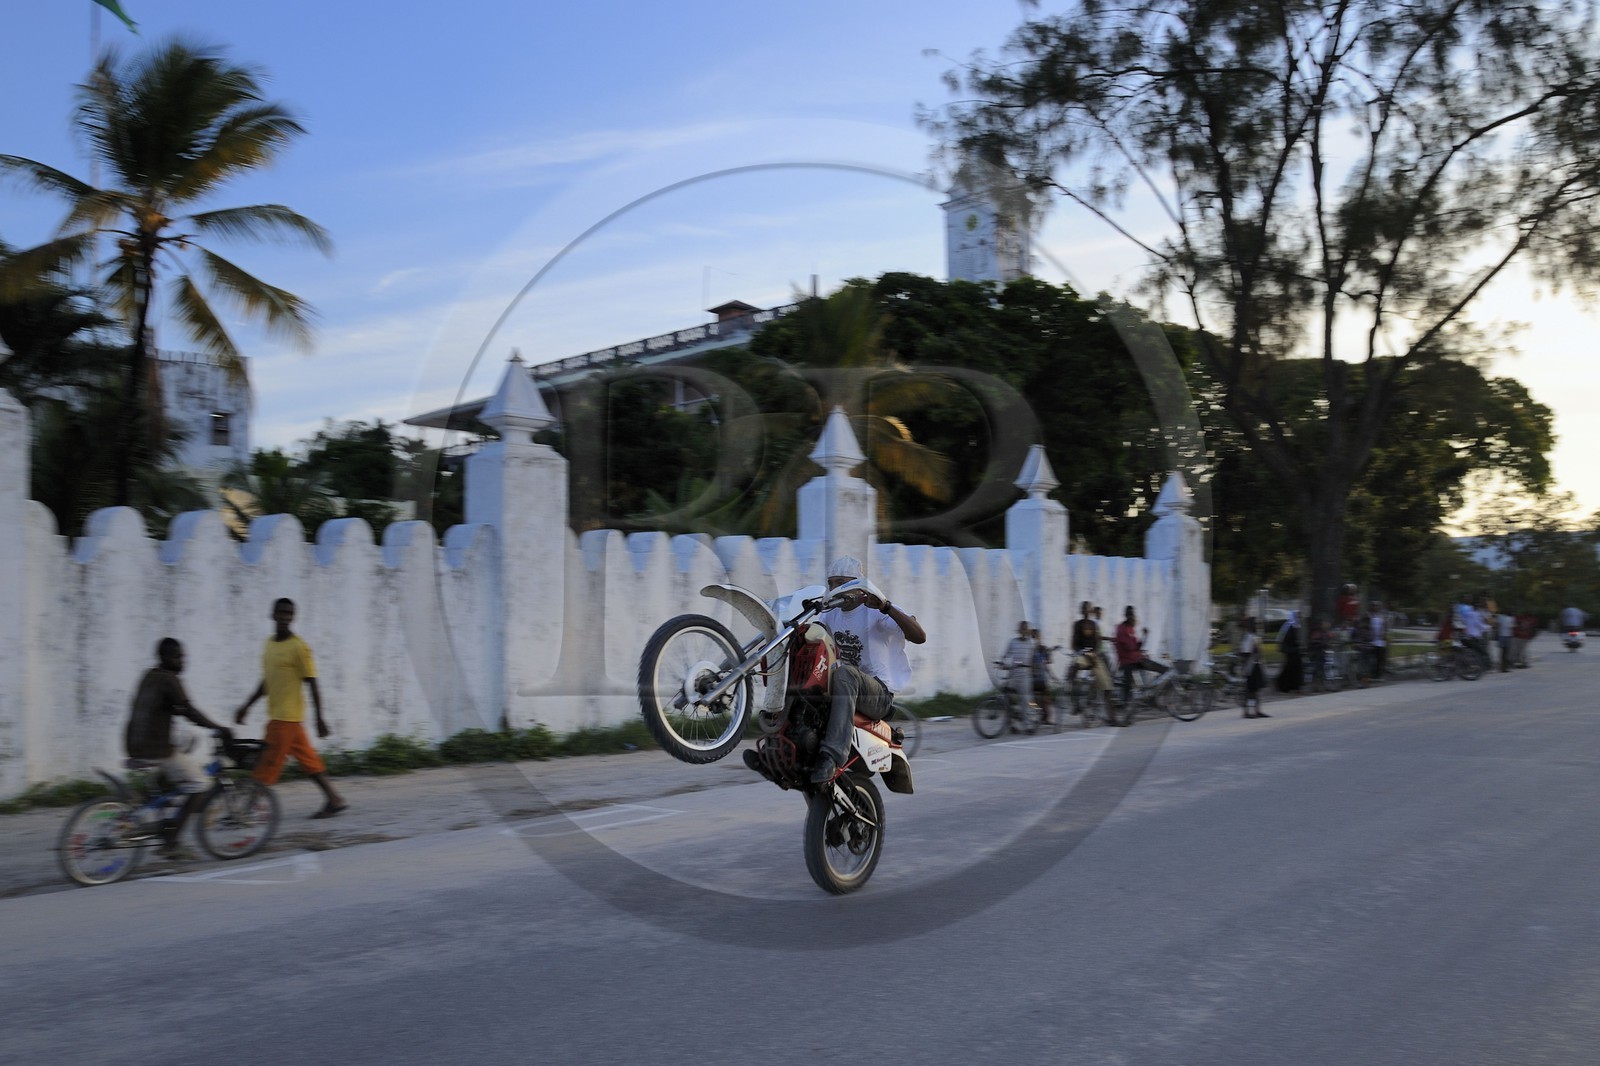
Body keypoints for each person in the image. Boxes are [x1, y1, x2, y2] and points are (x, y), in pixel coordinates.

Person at [806, 557, 925, 784]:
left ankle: (832, 757)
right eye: (831, 583)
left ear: (856, 584)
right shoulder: (831, 614)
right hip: (849, 689)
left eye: (840, 582)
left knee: (844, 673)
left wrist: (887, 607)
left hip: (878, 694)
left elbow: (920, 636)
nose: (834, 589)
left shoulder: (877, 611)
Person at [235, 598, 348, 818]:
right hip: (285, 719)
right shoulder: (269, 644)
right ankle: (334, 799)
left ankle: (247, 812)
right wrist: (247, 705)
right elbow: (267, 681)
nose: (285, 617)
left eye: (289, 613)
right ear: (273, 614)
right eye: (281, 612)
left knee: (267, 764)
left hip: (284, 720)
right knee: (309, 761)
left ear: (293, 617)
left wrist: (319, 718)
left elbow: (312, 681)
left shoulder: (299, 647)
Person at [125, 638, 233, 861]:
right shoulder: (169, 680)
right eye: (177, 657)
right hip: (155, 746)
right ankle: (171, 842)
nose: (182, 661)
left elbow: (174, 710)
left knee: (190, 739)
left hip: (134, 741)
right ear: (165, 658)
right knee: (201, 784)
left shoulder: (150, 675)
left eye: (182, 656)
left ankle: (158, 788)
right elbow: (189, 711)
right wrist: (218, 727)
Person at [1113, 606, 1168, 715]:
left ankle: (1152, 696)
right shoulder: (1122, 629)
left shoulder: (1130, 628)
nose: (1133, 617)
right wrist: (1142, 640)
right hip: (1128, 661)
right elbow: (1131, 647)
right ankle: (1127, 706)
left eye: (1133, 615)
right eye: (1131, 615)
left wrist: (1144, 637)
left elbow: (1136, 646)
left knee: (1162, 670)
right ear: (1127, 616)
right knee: (1127, 688)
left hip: (1135, 659)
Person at [1236, 617, 1268, 718]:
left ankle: (1257, 710)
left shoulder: (1254, 636)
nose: (1257, 627)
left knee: (1257, 689)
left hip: (1256, 664)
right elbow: (1245, 652)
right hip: (1251, 666)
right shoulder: (1248, 637)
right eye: (1255, 625)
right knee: (1250, 689)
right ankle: (1246, 712)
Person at [1275, 611, 1304, 694]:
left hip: (1294, 651)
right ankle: (1284, 686)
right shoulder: (1289, 626)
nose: (1300, 619)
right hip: (1290, 651)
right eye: (1298, 617)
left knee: (1294, 669)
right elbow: (1288, 640)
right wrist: (1296, 646)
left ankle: (1295, 686)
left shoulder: (1295, 626)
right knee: (1289, 669)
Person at [1306, 617, 1330, 691]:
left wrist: (1326, 644)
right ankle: (1316, 685)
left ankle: (1319, 685)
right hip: (1316, 652)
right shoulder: (1317, 632)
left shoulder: (1323, 632)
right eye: (1324, 624)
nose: (1326, 625)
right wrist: (1322, 643)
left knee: (1320, 669)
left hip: (1320, 652)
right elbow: (1314, 641)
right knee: (1317, 669)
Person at [1495, 608, 1515, 672]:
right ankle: (1505, 667)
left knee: (1502, 652)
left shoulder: (1500, 617)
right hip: (1507, 636)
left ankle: (1501, 667)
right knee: (1506, 653)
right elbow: (1511, 627)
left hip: (1501, 636)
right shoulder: (1511, 618)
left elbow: (1497, 625)